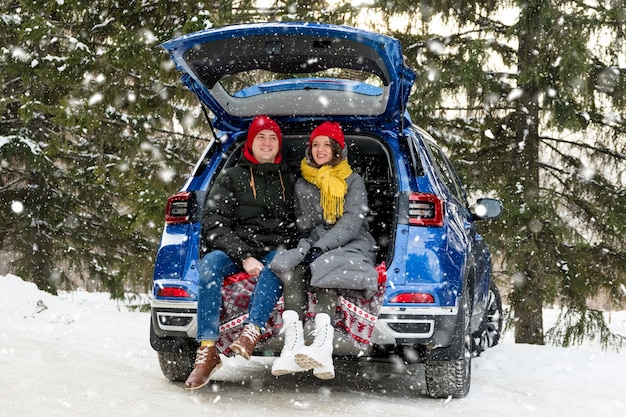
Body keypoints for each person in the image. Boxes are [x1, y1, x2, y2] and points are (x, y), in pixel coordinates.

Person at [232, 121, 379, 380]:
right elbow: (304, 223)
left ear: (337, 149)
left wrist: (322, 246)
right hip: (314, 241)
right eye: (315, 145)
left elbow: (352, 221)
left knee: (326, 264)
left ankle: (322, 348)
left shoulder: (353, 180)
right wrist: (307, 246)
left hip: (352, 243)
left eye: (327, 144)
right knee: (291, 265)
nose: (320, 149)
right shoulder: (302, 183)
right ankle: (292, 346)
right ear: (309, 150)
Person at [184, 115, 296, 390]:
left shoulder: (290, 179)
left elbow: (301, 221)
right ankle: (208, 350)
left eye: (273, 138)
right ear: (251, 142)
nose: (267, 143)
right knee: (209, 265)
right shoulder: (231, 177)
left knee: (278, 265)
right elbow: (215, 223)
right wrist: (244, 256)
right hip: (236, 248)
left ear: (279, 145)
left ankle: (251, 332)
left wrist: (293, 249)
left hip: (275, 248)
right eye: (261, 137)